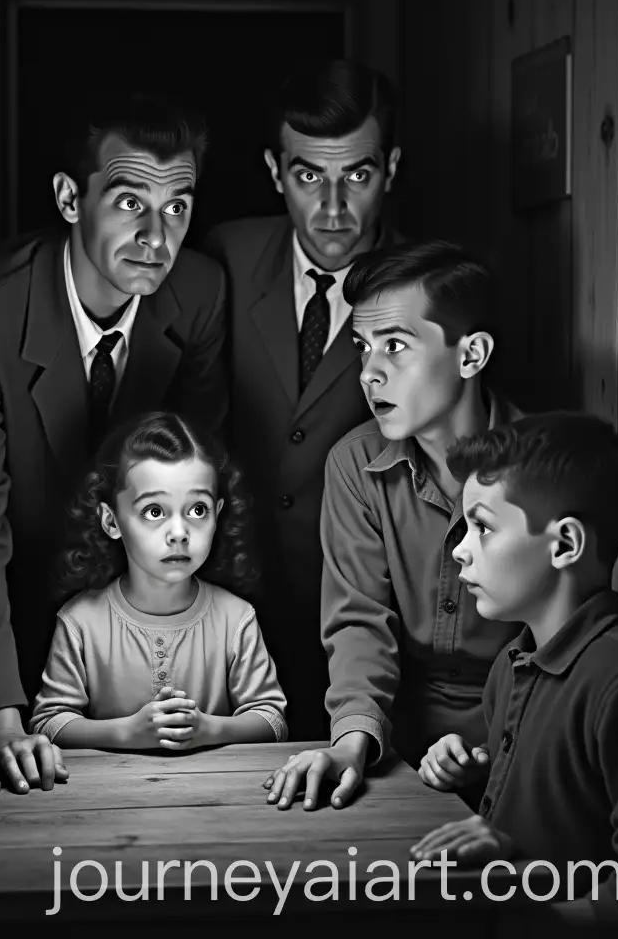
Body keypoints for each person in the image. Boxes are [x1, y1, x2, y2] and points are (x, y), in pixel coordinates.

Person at [0, 93, 229, 789]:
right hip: (3, 618)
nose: (158, 235)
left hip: (143, 631)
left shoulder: (200, 294)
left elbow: (197, 479)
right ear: (68, 198)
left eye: (177, 206)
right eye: (128, 203)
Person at [263, 240, 523, 811]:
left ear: (471, 354)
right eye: (362, 348)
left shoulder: (540, 468)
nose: (368, 373)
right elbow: (358, 622)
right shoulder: (355, 466)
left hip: (526, 743)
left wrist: (492, 748)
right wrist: (351, 744)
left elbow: (559, 642)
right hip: (396, 751)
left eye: (395, 346)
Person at [201, 59, 403, 738]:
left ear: (392, 168)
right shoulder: (221, 256)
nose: (334, 207)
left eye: (359, 175)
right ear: (273, 169)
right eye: (309, 176)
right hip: (225, 608)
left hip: (371, 615)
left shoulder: (432, 288)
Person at [413, 413, 618, 929]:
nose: (460, 549)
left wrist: (533, 913)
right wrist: (475, 774)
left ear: (564, 545)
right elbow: (556, 812)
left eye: (482, 527)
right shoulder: (513, 664)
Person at [29, 411, 286, 748]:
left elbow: (272, 720)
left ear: (218, 514)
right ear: (111, 521)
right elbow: (48, 723)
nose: (179, 533)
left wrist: (209, 730)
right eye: (154, 511)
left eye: (197, 510)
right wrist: (125, 733)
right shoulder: (79, 622)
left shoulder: (236, 618)